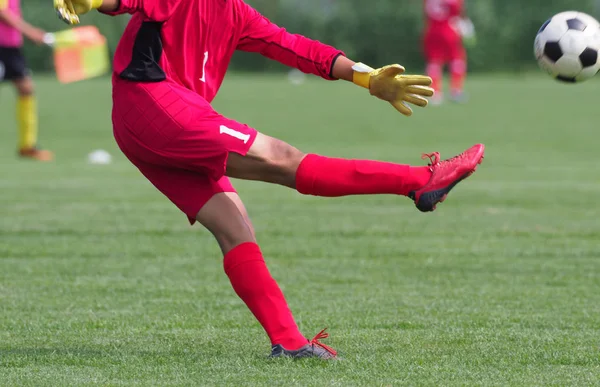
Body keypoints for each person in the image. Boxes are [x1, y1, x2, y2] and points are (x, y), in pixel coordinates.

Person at [53, 0, 485, 359]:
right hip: (153, 104)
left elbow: (298, 48)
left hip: (145, 126)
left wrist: (366, 76)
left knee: (234, 224)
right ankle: (419, 181)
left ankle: (288, 341)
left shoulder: (237, 14)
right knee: (282, 158)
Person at [0, 0, 53, 161]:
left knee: (26, 88)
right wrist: (30, 31)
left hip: (10, 46)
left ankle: (27, 146)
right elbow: (2, 12)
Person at [423, 0, 474, 104]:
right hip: (448, 30)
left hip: (431, 31)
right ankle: (456, 91)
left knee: (434, 62)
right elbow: (458, 11)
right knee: (457, 59)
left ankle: (434, 93)